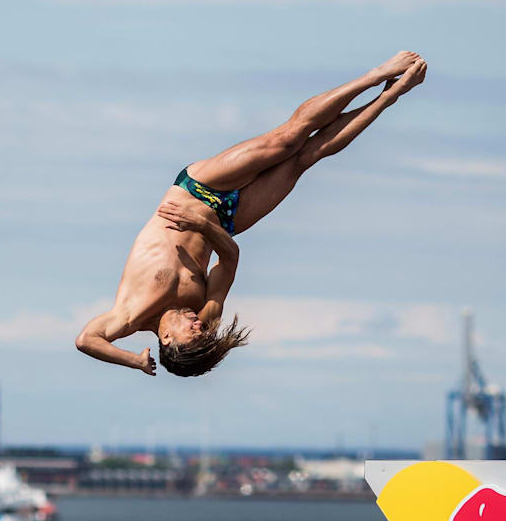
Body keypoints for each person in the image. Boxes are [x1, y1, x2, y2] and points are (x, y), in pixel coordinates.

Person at [75, 52, 427, 377]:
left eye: (191, 335)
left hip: (198, 189)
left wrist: (133, 361)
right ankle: (390, 95)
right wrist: (203, 225)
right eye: (201, 334)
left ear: (166, 338)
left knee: (287, 140)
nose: (199, 327)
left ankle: (375, 75)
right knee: (307, 157)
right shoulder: (206, 313)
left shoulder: (130, 313)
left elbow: (86, 339)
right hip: (227, 221)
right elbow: (230, 258)